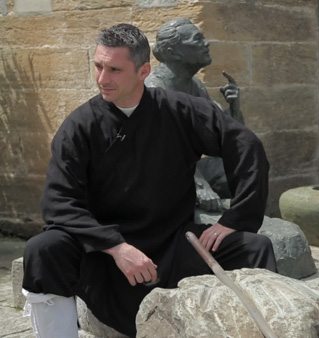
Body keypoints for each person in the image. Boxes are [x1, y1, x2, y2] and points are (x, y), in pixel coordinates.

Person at [21, 23, 277, 337]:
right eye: (98, 66)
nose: (103, 79)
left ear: (144, 71)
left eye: (114, 69)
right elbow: (58, 203)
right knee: (44, 248)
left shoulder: (180, 111)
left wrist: (235, 218)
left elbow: (245, 145)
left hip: (173, 245)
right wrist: (116, 247)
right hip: (105, 258)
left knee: (253, 247)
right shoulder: (80, 127)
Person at [145, 18, 243, 212]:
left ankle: (238, 220)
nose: (206, 44)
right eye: (197, 40)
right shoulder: (155, 90)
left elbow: (226, 139)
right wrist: (199, 185)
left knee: (244, 163)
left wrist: (234, 108)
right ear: (174, 53)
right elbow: (167, 149)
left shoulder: (195, 85)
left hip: (188, 168)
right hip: (157, 174)